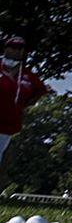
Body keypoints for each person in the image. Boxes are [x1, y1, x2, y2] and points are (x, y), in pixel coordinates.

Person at [0, 35, 48, 187]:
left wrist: (21, 106)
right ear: (6, 48)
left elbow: (39, 91)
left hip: (7, 125)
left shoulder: (27, 75)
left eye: (20, 49)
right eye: (13, 47)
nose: (16, 51)